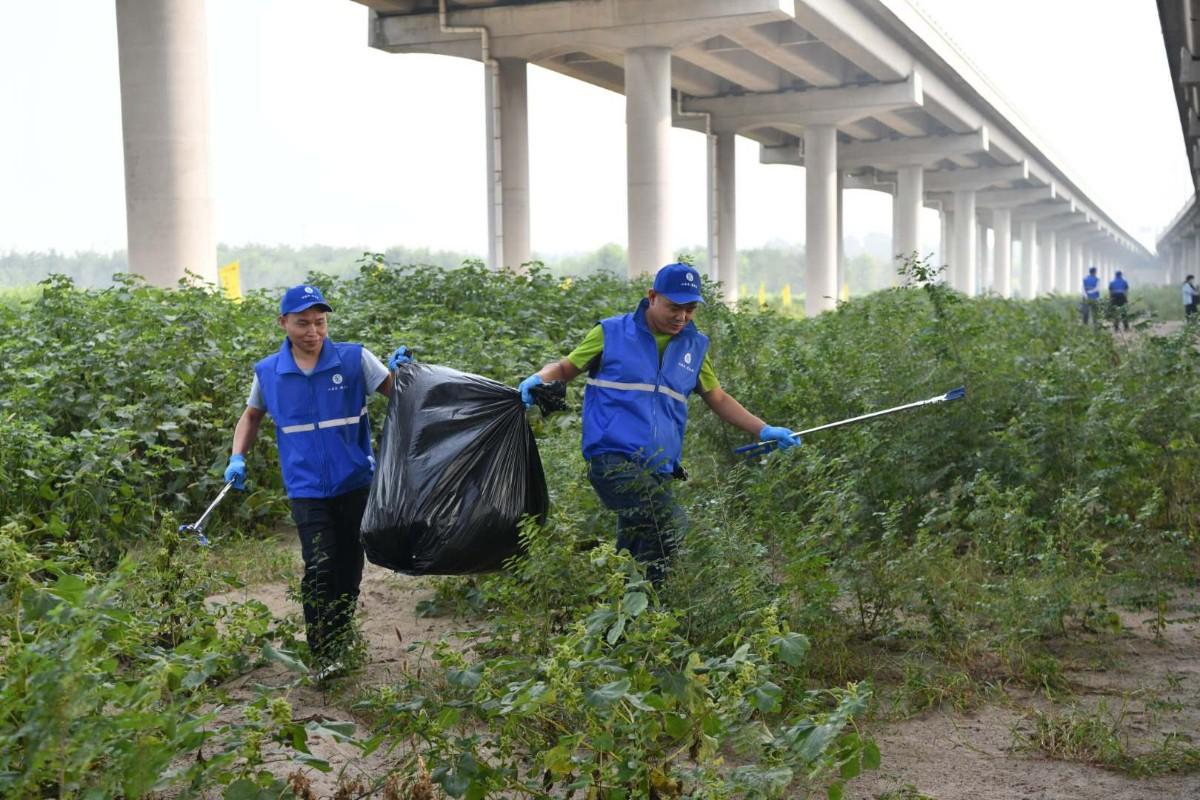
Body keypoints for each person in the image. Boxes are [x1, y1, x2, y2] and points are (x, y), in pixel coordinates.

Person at [517, 262, 798, 584]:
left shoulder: (693, 346)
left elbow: (717, 397)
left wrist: (763, 429)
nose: (682, 317)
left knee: (642, 554)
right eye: (674, 307)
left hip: (658, 467)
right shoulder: (612, 333)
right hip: (612, 457)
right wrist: (539, 378)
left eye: (690, 309)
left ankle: (633, 623)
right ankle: (644, 615)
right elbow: (567, 368)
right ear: (652, 297)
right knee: (668, 522)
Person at [223, 284, 412, 679]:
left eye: (320, 322)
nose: (313, 331)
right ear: (283, 323)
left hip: (356, 482)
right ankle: (322, 652)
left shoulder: (354, 359)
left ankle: (340, 639)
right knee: (319, 566)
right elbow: (251, 416)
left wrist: (407, 374)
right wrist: (237, 457)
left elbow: (399, 393)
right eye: (303, 323)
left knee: (348, 567)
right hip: (306, 488)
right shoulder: (269, 372)